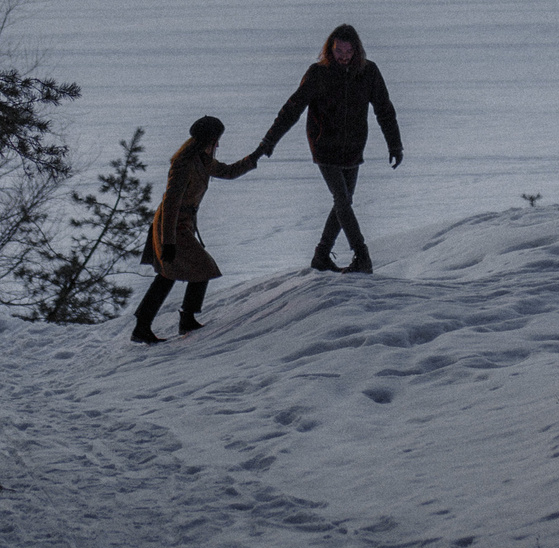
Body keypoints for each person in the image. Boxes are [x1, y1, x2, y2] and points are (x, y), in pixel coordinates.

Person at [253, 22, 402, 273]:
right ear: (329, 50)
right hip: (324, 146)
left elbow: (384, 109)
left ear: (357, 50)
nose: (343, 57)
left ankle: (321, 255)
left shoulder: (369, 72)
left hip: (353, 148)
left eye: (348, 52)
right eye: (338, 51)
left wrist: (395, 144)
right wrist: (269, 141)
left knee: (344, 202)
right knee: (342, 200)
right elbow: (292, 109)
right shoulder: (318, 74)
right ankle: (362, 256)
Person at [132, 116, 258, 343]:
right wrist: (168, 241)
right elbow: (170, 203)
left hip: (183, 225)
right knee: (202, 266)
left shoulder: (202, 160)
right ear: (208, 139)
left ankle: (147, 325)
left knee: (168, 275)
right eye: (216, 140)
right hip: (172, 225)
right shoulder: (183, 163)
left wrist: (253, 158)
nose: (218, 145)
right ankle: (183, 319)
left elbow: (228, 171)